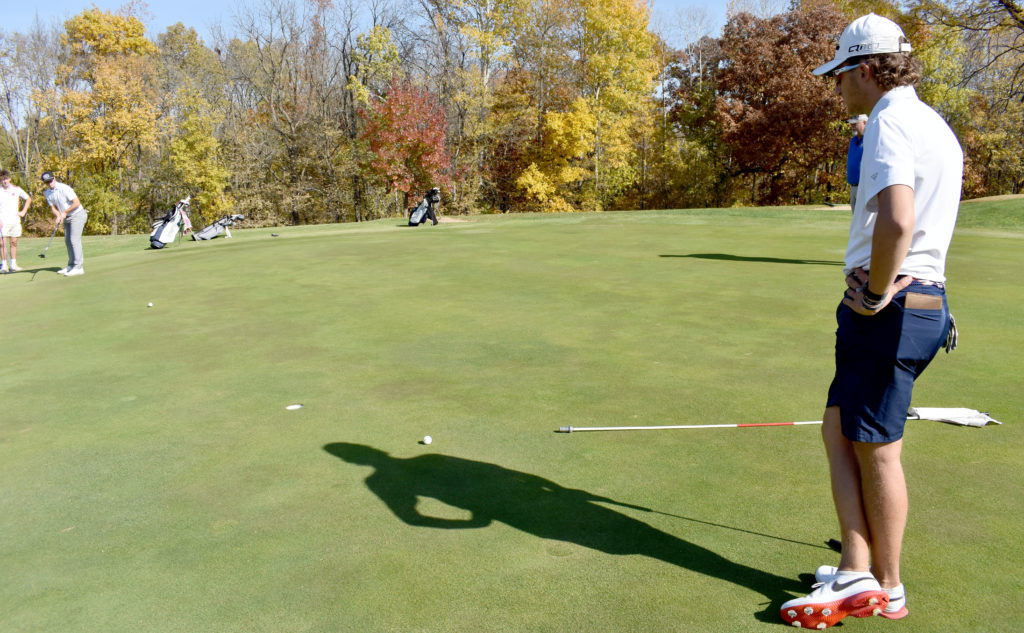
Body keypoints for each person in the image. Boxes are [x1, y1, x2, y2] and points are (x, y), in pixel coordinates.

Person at [780, 13, 963, 629]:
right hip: (919, 304)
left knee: (877, 450)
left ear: (865, 69)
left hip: (892, 307)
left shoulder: (888, 119)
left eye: (839, 76)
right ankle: (857, 565)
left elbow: (899, 221)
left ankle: (886, 585)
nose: (835, 89)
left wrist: (875, 293)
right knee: (839, 430)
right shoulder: (931, 121)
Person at [40, 171, 89, 276]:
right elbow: (53, 207)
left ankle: (78, 267)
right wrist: (58, 215)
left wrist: (65, 212)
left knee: (74, 240)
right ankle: (71, 265)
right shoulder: (47, 193)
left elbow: (77, 203)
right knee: (67, 241)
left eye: (51, 180)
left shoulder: (64, 188)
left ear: (54, 178)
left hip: (77, 215)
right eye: (47, 182)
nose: (50, 183)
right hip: (66, 217)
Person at [0, 170, 32, 272]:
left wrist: (23, 212)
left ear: (9, 179)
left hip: (15, 220)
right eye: (2, 179)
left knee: (14, 242)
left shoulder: (16, 189)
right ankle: (4, 265)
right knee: (2, 243)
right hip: (3, 221)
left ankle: (13, 264)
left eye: (6, 179)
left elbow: (28, 199)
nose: (4, 181)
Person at [846, 114, 867, 210]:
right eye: (851, 124)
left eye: (855, 124)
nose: (852, 126)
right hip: (853, 186)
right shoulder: (853, 141)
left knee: (865, 221)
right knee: (856, 221)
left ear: (865, 123)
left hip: (864, 187)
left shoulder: (870, 139)